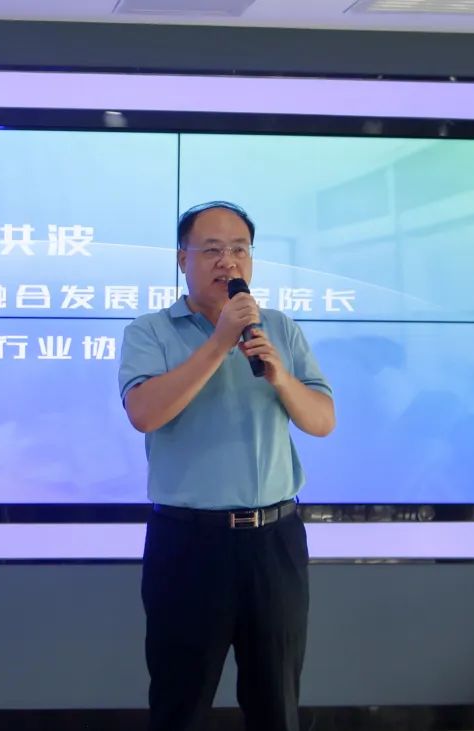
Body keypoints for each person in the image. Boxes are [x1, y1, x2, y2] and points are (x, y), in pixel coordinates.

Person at [118, 201, 335, 731]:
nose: (228, 261)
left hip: (274, 541)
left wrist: (281, 377)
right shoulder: (150, 332)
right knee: (180, 704)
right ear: (182, 259)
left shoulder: (278, 328)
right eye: (212, 249)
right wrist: (219, 343)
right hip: (188, 543)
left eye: (239, 249)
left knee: (276, 704)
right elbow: (144, 413)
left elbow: (322, 419)